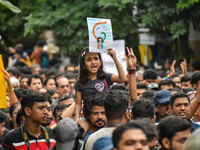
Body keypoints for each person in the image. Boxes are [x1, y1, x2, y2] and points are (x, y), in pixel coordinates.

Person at [74, 47, 126, 123]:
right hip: (88, 118)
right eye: (89, 60)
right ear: (84, 64)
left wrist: (115, 58)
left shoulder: (106, 77)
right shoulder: (80, 82)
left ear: (100, 62)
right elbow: (78, 104)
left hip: (106, 116)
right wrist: (77, 117)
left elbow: (122, 78)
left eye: (96, 59)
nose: (93, 62)